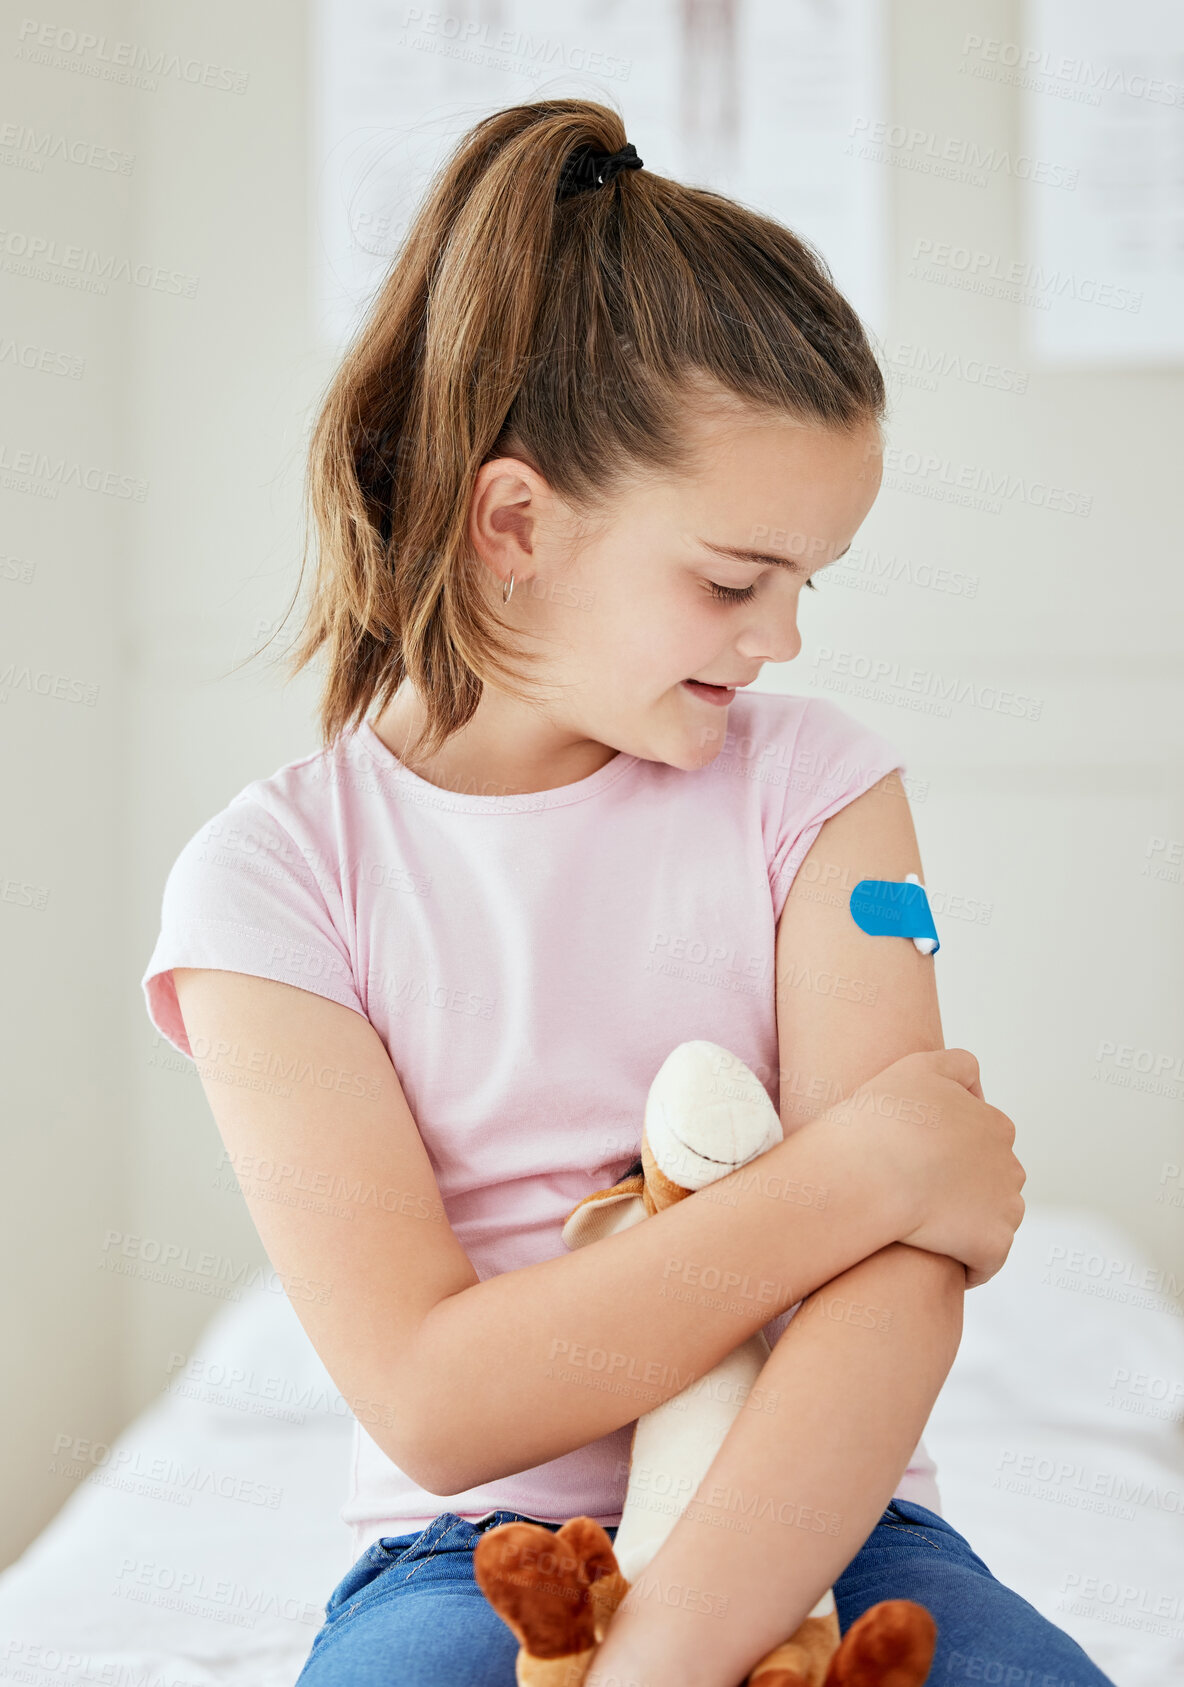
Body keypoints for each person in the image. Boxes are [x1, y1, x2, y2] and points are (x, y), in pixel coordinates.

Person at [141, 99, 1114, 1687]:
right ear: (515, 524)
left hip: (834, 1521)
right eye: (736, 581)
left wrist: (668, 1657)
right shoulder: (272, 884)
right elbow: (440, 1404)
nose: (781, 641)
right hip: (488, 1559)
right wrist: (855, 1176)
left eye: (811, 584)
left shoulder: (826, 794)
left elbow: (896, 1301)